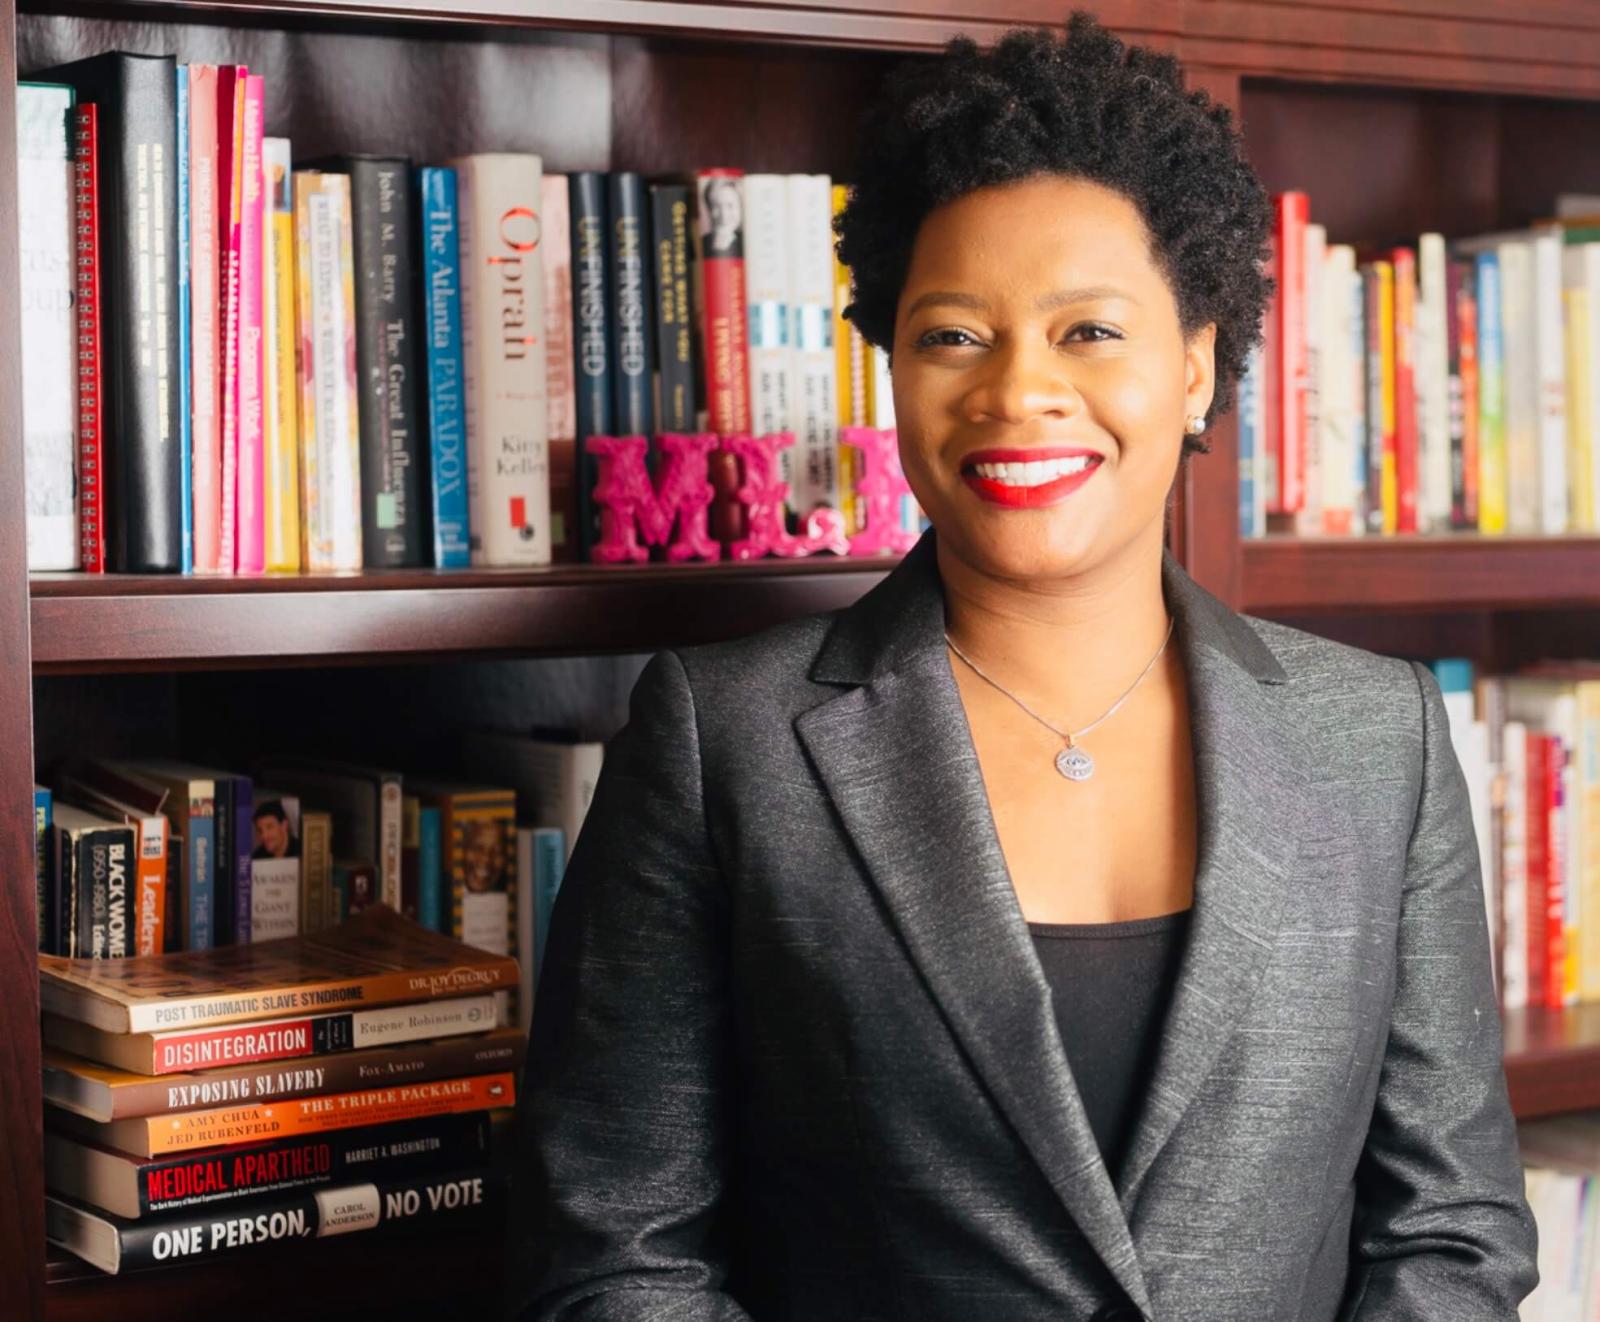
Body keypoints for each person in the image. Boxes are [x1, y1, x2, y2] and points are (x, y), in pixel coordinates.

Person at [507, 13, 1538, 1320]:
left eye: (1089, 332)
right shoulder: (727, 739)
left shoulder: (1377, 740)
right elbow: (615, 1252)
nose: (1016, 392)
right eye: (953, 335)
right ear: (891, 368)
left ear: (1198, 367)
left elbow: (1451, 1233)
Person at [701, 174, 744, 259]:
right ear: (709, 209)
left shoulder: (749, 242)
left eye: (730, 206)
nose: (724, 215)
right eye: (716, 206)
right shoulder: (702, 243)